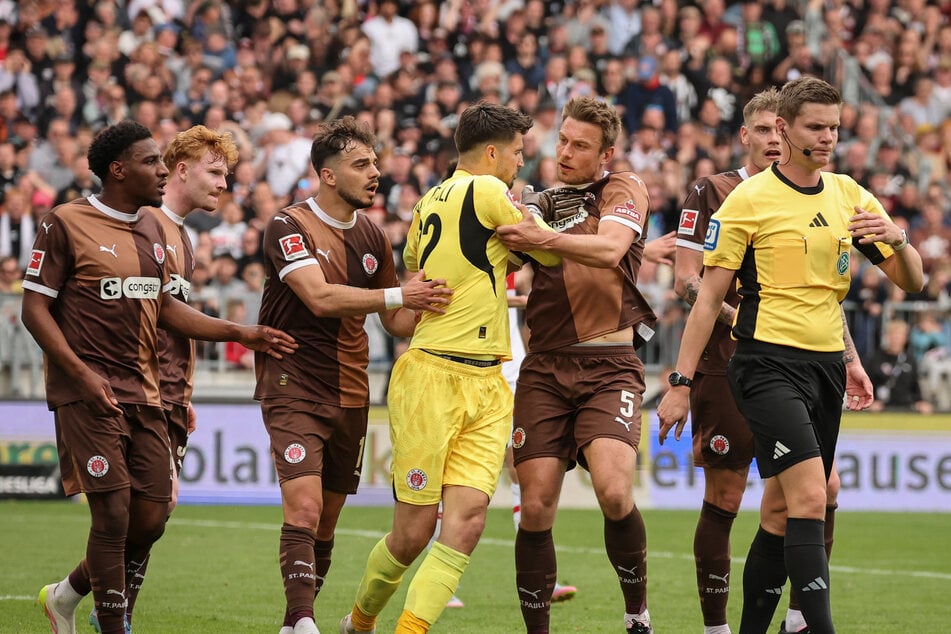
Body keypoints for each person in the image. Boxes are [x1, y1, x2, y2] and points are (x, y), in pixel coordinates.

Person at [658, 77, 924, 634]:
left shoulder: (850, 194)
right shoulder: (747, 200)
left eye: (834, 127)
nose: (827, 138)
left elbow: (913, 282)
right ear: (783, 128)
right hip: (764, 363)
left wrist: (898, 238)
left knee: (779, 511)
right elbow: (706, 298)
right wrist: (679, 381)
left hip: (824, 366)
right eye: (815, 127)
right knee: (811, 495)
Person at [26, 120, 296, 634]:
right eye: (151, 161)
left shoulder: (158, 232)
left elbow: (165, 310)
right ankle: (113, 625)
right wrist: (81, 376)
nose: (161, 168)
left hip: (150, 393)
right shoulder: (66, 221)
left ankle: (64, 597)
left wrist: (243, 333)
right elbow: (34, 308)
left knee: (152, 516)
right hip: (88, 393)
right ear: (119, 168)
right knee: (113, 517)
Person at [340, 102, 559, 634]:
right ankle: (360, 620)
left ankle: (406, 630)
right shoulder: (487, 191)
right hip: (437, 377)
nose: (520, 165)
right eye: (516, 154)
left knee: (466, 521)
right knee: (413, 531)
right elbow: (549, 254)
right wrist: (537, 216)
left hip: (482, 378)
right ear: (490, 152)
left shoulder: (425, 203)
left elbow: (413, 299)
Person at [253, 116, 453, 634]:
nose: (375, 173)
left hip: (351, 388)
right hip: (292, 381)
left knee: (325, 520)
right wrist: (399, 295)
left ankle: (294, 620)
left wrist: (440, 295)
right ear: (327, 174)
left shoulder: (372, 234)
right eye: (361, 164)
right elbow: (318, 296)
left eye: (376, 163)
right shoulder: (288, 225)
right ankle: (301, 622)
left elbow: (397, 321)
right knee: (303, 505)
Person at [495, 95, 658, 634]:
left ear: (605, 153)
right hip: (543, 367)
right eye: (562, 140)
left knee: (614, 491)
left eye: (579, 145)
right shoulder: (535, 200)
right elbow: (504, 263)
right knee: (536, 505)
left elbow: (611, 249)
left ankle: (638, 615)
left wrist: (540, 236)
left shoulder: (623, 188)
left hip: (610, 365)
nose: (564, 151)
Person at [86, 124, 241, 633]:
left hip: (169, 391)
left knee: (154, 516)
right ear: (180, 169)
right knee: (145, 512)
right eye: (215, 172)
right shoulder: (145, 221)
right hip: (138, 391)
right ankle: (106, 611)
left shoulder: (184, 236)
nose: (223, 183)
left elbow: (174, 320)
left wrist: (185, 391)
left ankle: (88, 602)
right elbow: (142, 319)